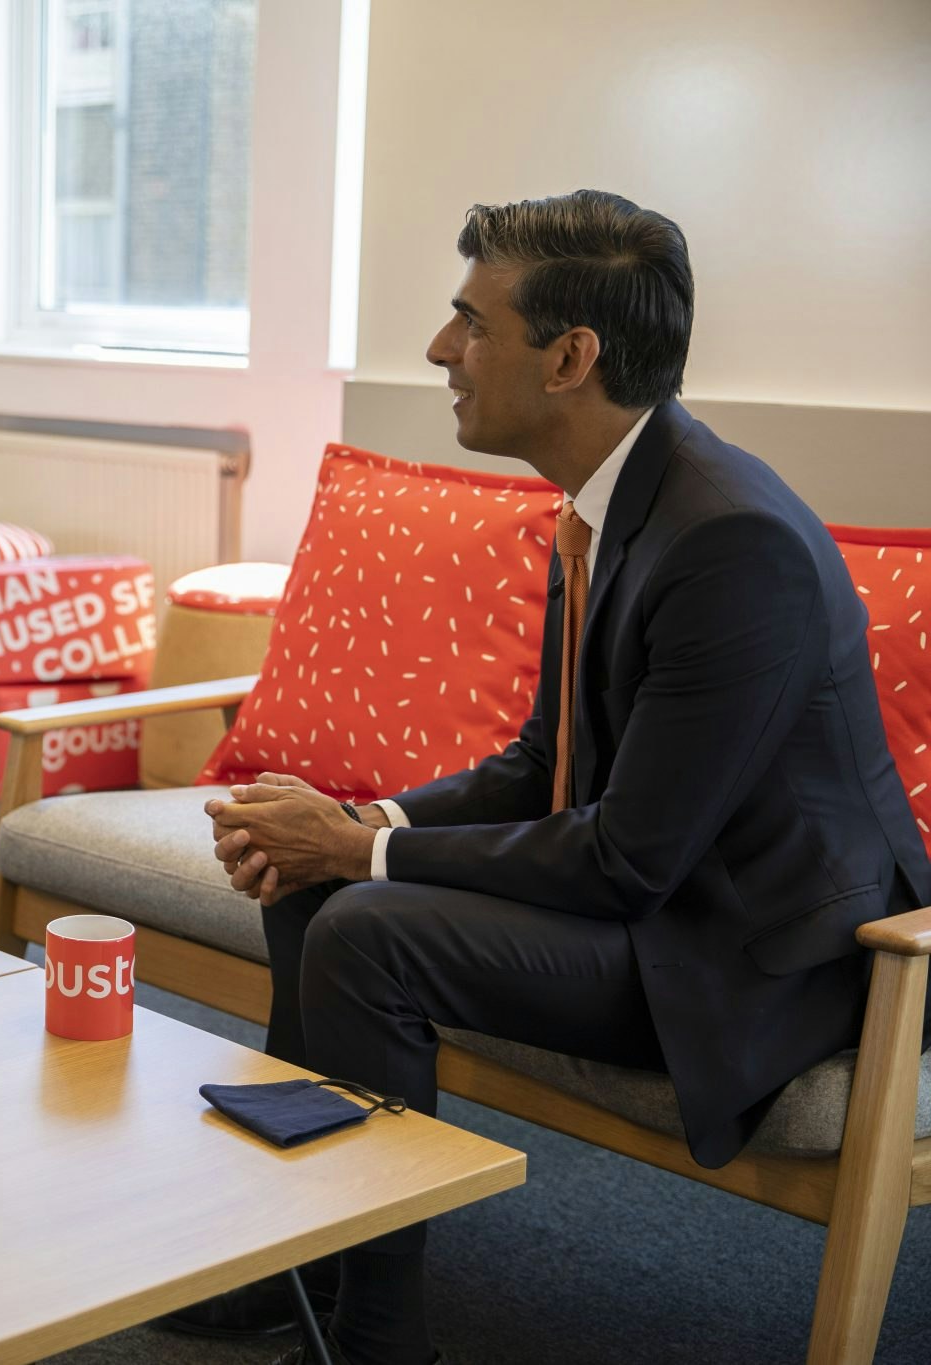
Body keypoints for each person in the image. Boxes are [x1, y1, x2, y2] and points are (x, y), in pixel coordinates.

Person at [170, 190, 930, 1365]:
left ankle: (378, 1341)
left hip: (753, 957)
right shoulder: (609, 504)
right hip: (662, 899)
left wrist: (359, 847)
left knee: (367, 927)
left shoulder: (731, 544)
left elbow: (627, 857)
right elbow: (542, 764)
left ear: (570, 357)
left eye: (470, 324)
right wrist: (357, 823)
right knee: (310, 888)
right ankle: (302, 1269)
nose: (439, 351)